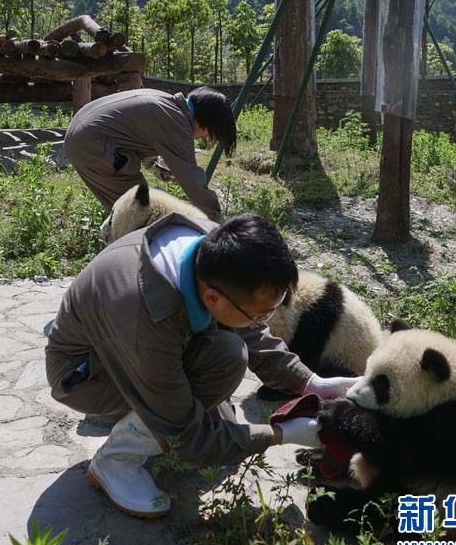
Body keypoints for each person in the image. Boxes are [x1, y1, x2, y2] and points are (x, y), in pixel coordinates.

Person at [45, 212, 355, 518]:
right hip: (86, 377)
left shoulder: (216, 248)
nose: (264, 320)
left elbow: (249, 328)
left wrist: (311, 383)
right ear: (213, 299)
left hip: (139, 349)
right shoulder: (146, 321)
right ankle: (117, 461)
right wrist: (281, 434)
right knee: (202, 413)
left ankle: (161, 413)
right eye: (260, 313)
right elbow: (187, 437)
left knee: (228, 358)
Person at [64, 86, 236, 222]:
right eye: (210, 133)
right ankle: (133, 251)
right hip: (93, 144)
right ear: (205, 121)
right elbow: (192, 180)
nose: (205, 137)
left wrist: (163, 172)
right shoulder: (177, 123)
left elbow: (140, 141)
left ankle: (123, 243)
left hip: (80, 133)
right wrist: (216, 221)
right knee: (141, 213)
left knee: (128, 211)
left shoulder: (166, 103)